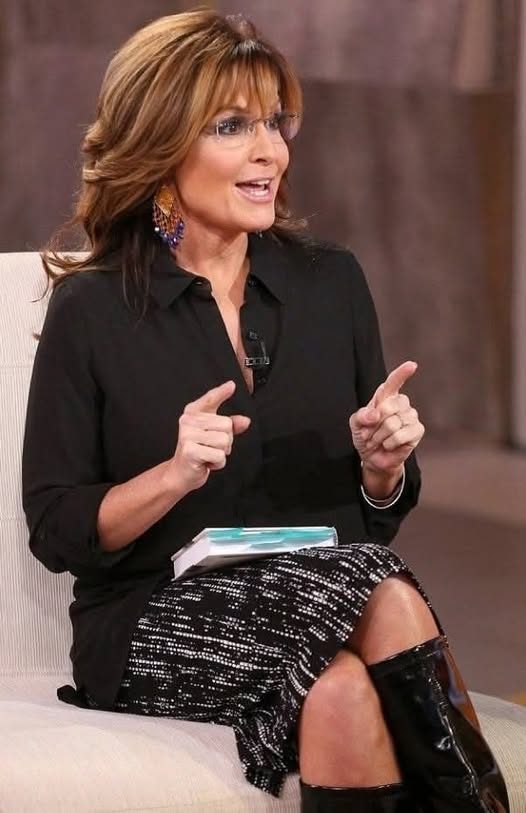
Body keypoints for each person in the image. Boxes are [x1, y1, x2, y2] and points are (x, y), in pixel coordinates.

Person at [21, 9, 508, 812]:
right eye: (232, 126)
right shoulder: (95, 310)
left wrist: (381, 470)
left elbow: (373, 519)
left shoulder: (330, 283)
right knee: (381, 590)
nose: (269, 150)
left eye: (276, 123)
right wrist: (174, 475)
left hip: (318, 591)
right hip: (155, 619)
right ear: (162, 144)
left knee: (343, 690)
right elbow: (56, 528)